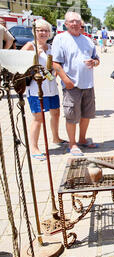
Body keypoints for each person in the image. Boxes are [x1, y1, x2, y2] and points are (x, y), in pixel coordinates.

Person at [52, 11, 100, 157]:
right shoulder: (60, 39)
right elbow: (55, 63)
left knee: (87, 114)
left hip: (88, 84)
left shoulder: (88, 40)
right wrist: (66, 80)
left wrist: (94, 62)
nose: (74, 24)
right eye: (71, 21)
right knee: (72, 115)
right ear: (66, 24)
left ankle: (82, 139)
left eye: (76, 21)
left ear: (81, 24)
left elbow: (97, 59)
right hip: (72, 85)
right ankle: (72, 144)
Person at [22, 19, 66, 160]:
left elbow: (56, 66)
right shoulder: (30, 46)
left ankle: (56, 138)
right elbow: (19, 62)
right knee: (38, 118)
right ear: (34, 31)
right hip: (35, 88)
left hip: (51, 86)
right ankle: (34, 147)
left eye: (46, 30)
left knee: (56, 113)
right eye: (40, 30)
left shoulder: (51, 47)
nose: (43, 33)